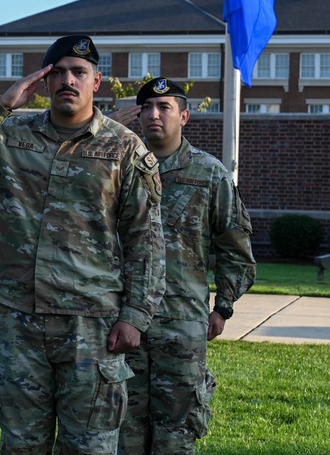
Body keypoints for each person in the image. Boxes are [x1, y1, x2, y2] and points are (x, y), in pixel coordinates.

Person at [0, 34, 165, 454]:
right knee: (20, 445)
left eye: (79, 72)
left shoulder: (124, 148)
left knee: (90, 446)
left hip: (91, 324)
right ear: (43, 80)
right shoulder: (12, 135)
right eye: (57, 72)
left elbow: (145, 238)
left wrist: (136, 316)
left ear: (97, 81)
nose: (67, 81)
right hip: (19, 320)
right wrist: (0, 105)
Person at [114, 79, 255, 455]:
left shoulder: (209, 173)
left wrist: (223, 306)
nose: (154, 114)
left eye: (165, 107)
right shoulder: (120, 168)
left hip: (182, 323)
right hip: (123, 319)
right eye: (147, 108)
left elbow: (235, 244)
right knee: (122, 427)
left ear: (184, 116)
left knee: (176, 431)